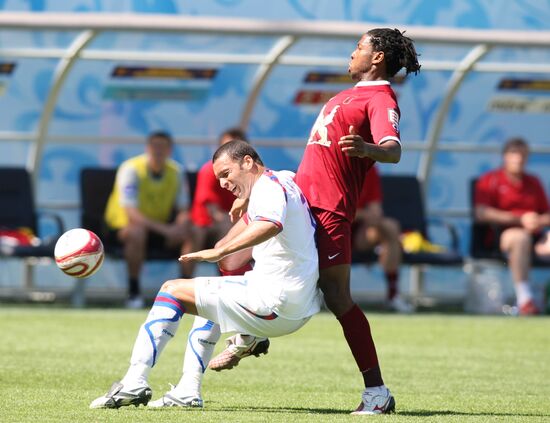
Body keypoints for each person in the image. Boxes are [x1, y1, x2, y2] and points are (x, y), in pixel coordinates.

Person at [212, 28, 420, 415]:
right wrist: (252, 195)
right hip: (297, 199)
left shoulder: (381, 97)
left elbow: (393, 151)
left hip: (329, 211)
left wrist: (366, 148)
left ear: (377, 58)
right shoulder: (347, 95)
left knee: (337, 296)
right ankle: (249, 335)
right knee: (230, 258)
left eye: (360, 46)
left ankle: (377, 392)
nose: (353, 52)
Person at [90, 140, 321, 409]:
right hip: (299, 307)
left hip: (275, 303)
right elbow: (231, 249)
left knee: (171, 290)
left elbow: (270, 224)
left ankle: (133, 382)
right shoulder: (283, 179)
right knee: (210, 299)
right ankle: (188, 389)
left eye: (226, 174)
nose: (223, 183)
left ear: (248, 162)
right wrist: (241, 211)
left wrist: (217, 253)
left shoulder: (267, 189)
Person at [104, 131, 192, 309]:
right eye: (155, 146)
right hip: (122, 227)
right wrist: (167, 230)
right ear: (147, 148)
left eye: (163, 147)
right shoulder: (130, 169)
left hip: (159, 228)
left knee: (192, 233)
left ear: (170, 150)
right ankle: (134, 291)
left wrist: (180, 226)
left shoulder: (176, 171)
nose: (158, 151)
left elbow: (183, 208)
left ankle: (189, 293)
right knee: (137, 232)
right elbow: (131, 213)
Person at [474, 137, 550, 315]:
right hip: (502, 237)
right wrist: (520, 219)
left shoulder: (533, 182)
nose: (519, 159)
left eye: (523, 155)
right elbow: (482, 213)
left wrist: (537, 221)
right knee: (520, 237)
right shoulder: (490, 180)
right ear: (505, 157)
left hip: (536, 237)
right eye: (515, 155)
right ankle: (525, 299)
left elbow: (546, 213)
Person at [186, 127, 249, 276]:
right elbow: (214, 212)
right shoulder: (208, 171)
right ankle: (186, 279)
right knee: (206, 232)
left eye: (238, 148)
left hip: (231, 223)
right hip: (206, 225)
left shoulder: (252, 174)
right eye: (228, 147)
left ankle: (229, 282)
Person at [353, 165, 413, 313]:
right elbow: (333, 211)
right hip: (332, 231)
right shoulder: (331, 165)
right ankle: (324, 295)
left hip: (360, 233)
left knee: (391, 227)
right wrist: (365, 214)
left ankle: (393, 296)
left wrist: (369, 215)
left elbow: (375, 208)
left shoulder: (369, 168)